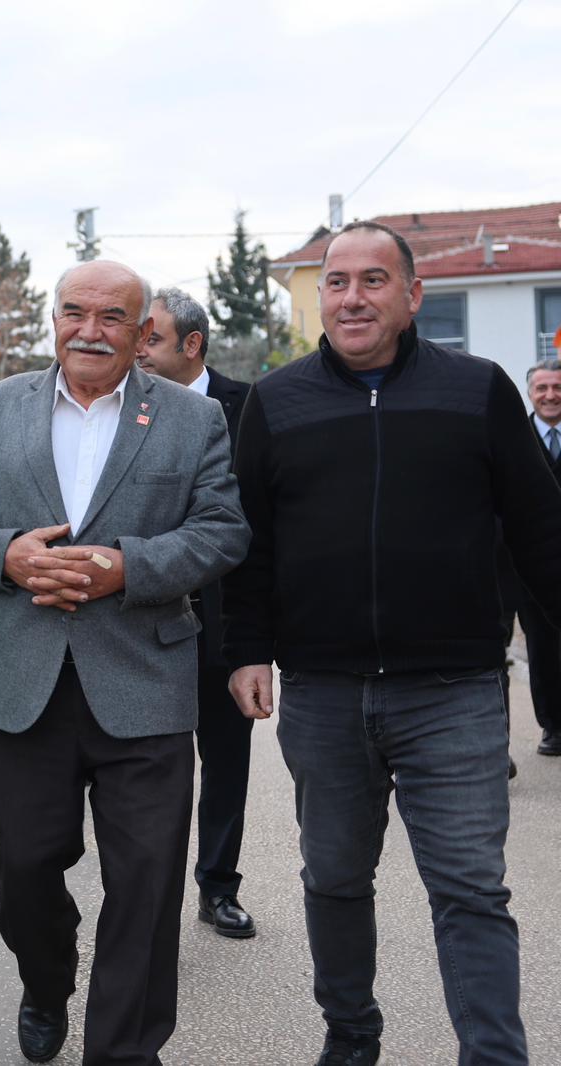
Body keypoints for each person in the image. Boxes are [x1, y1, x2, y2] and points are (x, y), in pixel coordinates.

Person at [223, 221, 561, 1066]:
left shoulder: (477, 390)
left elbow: (541, 529)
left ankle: (494, 1054)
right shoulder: (277, 401)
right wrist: (246, 649)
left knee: (471, 889)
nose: (351, 297)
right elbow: (249, 542)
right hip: (324, 691)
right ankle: (351, 1034)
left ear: (413, 296)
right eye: (336, 282)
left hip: (454, 691)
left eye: (373, 280)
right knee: (334, 879)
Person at [0, 260, 249, 1065]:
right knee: (24, 867)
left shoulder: (191, 418)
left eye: (113, 318)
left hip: (145, 680)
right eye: (76, 311)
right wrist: (9, 556)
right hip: (22, 681)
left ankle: (124, 1049)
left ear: (144, 334)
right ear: (55, 319)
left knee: (147, 883)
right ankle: (46, 981)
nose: (91, 330)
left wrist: (129, 567)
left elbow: (222, 530)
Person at [137, 286, 258, 939]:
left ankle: (218, 887)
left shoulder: (249, 406)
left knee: (226, 760)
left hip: (227, 617)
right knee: (150, 773)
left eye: (151, 338)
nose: (139, 350)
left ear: (192, 344)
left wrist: (261, 635)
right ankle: (149, 902)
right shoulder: (125, 405)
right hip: (143, 618)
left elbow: (263, 516)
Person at [516, 360, 561, 756]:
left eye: (557, 387)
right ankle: (553, 725)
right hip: (532, 562)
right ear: (530, 393)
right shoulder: (516, 437)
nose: (550, 395)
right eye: (542, 388)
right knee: (543, 646)